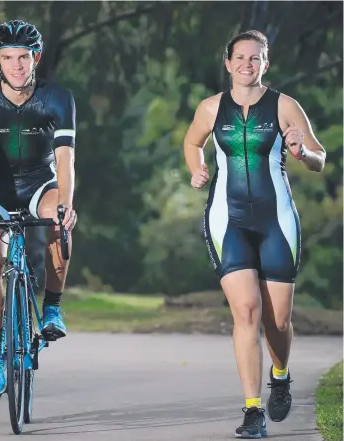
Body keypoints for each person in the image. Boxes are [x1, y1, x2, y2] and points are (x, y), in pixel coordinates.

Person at [183, 30, 326, 439]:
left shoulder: (285, 106)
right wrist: (196, 167)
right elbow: (191, 142)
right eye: (241, 57)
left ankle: (280, 376)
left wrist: (302, 153)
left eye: (256, 58)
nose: (248, 64)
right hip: (227, 221)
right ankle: (252, 410)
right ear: (227, 63)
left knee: (277, 320)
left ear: (266, 63)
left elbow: (320, 159)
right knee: (246, 311)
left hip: (276, 222)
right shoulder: (211, 108)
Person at [0, 19, 78, 397]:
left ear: (35, 58)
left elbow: (66, 157)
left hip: (42, 183)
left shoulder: (57, 98)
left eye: (24, 57)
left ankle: (52, 306)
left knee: (59, 220)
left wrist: (67, 204)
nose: (17, 66)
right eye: (8, 58)